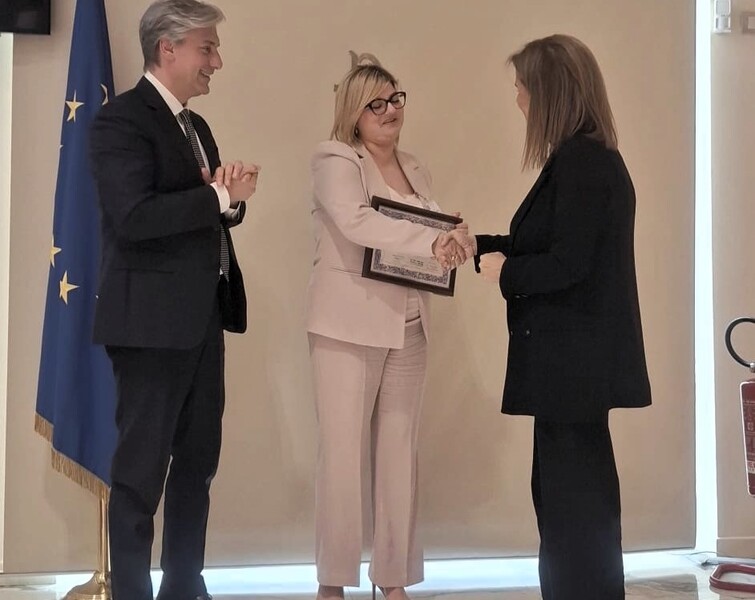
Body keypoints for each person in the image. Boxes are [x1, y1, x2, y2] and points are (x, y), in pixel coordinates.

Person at [88, 1, 259, 598]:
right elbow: (134, 217)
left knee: (197, 465)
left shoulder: (196, 126)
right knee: (140, 476)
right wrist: (217, 198)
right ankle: (132, 592)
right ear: (168, 48)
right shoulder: (120, 121)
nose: (217, 61)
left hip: (202, 320)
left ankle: (184, 585)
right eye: (207, 48)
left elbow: (194, 214)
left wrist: (228, 203)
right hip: (148, 327)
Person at [473, 34, 652, 600]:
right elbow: (549, 244)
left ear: (549, 93)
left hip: (572, 369)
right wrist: (477, 246)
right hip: (573, 374)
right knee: (569, 508)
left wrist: (505, 274)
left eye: (522, 89)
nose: (518, 100)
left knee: (573, 514)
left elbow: (569, 264)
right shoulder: (586, 160)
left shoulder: (582, 162)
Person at [306, 63, 473, 600]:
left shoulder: (415, 165)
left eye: (396, 99)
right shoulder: (336, 158)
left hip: (410, 324)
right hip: (348, 326)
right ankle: (333, 582)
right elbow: (358, 222)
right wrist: (431, 239)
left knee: (400, 454)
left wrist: (456, 238)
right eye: (376, 104)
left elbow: (430, 225)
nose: (390, 111)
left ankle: (392, 578)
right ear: (354, 113)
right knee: (342, 457)